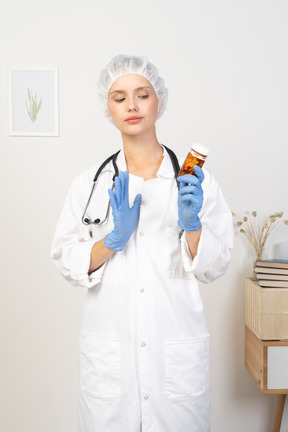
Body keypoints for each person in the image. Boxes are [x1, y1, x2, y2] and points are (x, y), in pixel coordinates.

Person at [51, 54, 234, 432]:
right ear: (109, 109)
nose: (131, 106)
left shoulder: (194, 181)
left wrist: (193, 225)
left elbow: (216, 266)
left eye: (142, 95)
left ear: (160, 101)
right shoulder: (92, 183)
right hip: (111, 365)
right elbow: (66, 258)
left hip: (175, 361)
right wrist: (113, 240)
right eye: (119, 98)